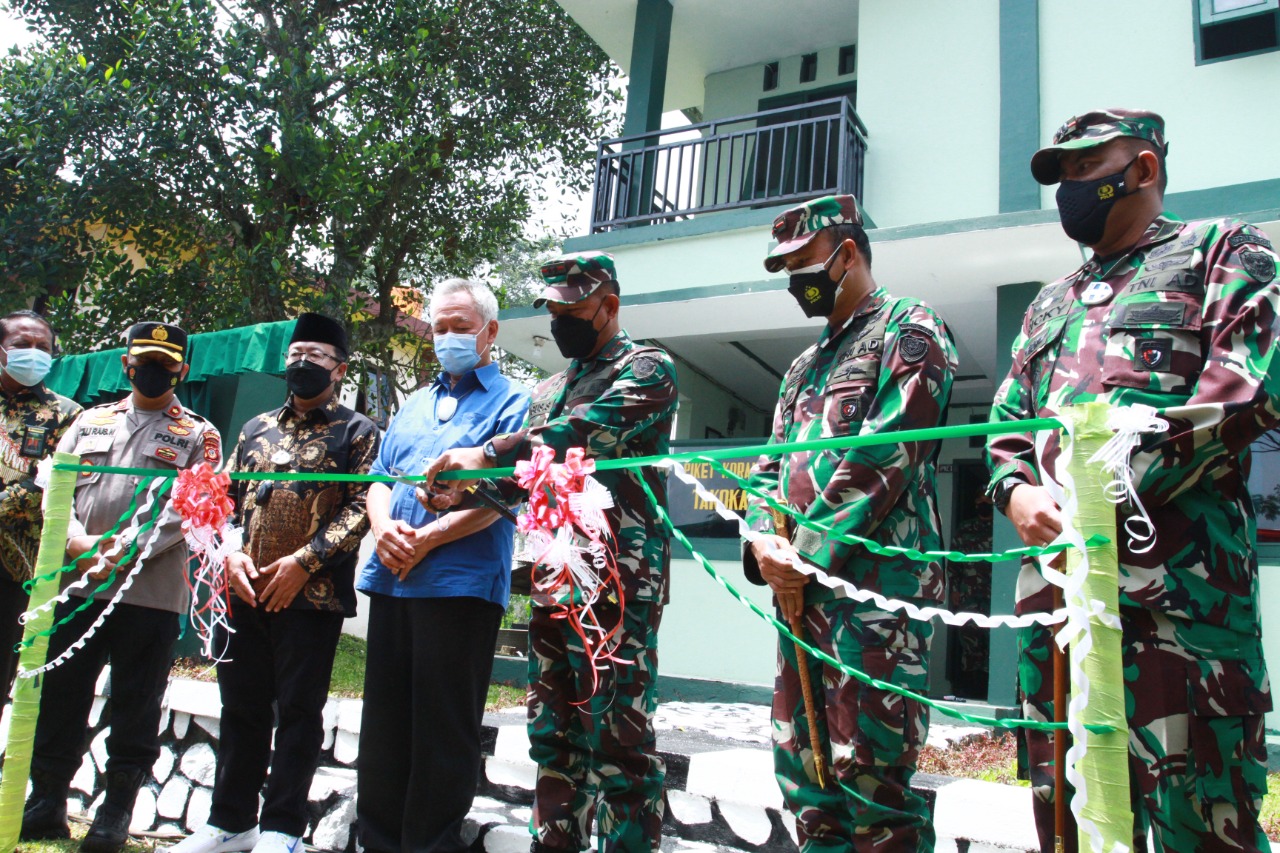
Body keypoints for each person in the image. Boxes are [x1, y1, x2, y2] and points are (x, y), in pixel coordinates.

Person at [986, 108, 1280, 853]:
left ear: (1142, 170)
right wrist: (1018, 491)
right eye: (1062, 176)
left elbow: (1246, 389)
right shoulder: (1049, 302)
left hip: (1178, 616)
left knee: (1200, 827)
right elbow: (1007, 424)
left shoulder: (1222, 251)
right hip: (1057, 611)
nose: (1070, 189)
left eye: (1086, 168)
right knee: (1067, 821)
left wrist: (1103, 493)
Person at [423, 253, 679, 853]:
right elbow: (523, 480)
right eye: (552, 310)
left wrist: (486, 454)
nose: (560, 320)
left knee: (619, 737)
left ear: (608, 306)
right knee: (554, 734)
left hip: (618, 586)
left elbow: (586, 434)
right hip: (552, 580)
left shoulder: (648, 368)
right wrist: (460, 490)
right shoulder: (546, 392)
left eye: (571, 308)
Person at [742, 194, 957, 851]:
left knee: (874, 789)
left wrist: (799, 551)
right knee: (807, 784)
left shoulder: (909, 330)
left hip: (874, 604)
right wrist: (761, 539)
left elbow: (883, 455)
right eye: (784, 270)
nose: (795, 282)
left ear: (848, 253)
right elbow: (764, 472)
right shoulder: (802, 369)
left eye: (803, 263)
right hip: (798, 601)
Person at [171, 313, 379, 853]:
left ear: (340, 369)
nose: (302, 364)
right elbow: (226, 500)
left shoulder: (358, 432)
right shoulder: (254, 428)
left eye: (316, 356)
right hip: (244, 590)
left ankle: (283, 828)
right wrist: (232, 555)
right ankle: (230, 822)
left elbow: (362, 508)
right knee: (240, 708)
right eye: (296, 354)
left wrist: (304, 563)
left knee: (299, 713)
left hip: (311, 597)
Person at [21, 321, 221, 853]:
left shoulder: (199, 435)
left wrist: (124, 550)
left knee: (136, 704)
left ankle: (113, 816)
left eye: (166, 362)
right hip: (80, 584)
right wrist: (77, 543)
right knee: (62, 696)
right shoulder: (88, 421)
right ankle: (46, 804)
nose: (153, 369)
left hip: (149, 591)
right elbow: (53, 486)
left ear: (183, 370)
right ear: (126, 365)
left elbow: (191, 508)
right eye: (143, 359)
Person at [355, 279, 528, 853]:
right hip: (392, 578)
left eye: (462, 325)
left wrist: (428, 539)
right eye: (440, 327)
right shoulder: (412, 402)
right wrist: (383, 530)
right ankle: (378, 842)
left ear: (490, 332)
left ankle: (429, 845)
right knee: (383, 729)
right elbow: (378, 476)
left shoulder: (515, 405)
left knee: (442, 733)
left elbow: (508, 493)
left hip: (459, 586)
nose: (449, 337)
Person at [0, 310, 81, 695]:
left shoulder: (68, 415)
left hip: (18, 566)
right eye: (21, 345)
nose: (33, 353)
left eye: (42, 347)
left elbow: (52, 485)